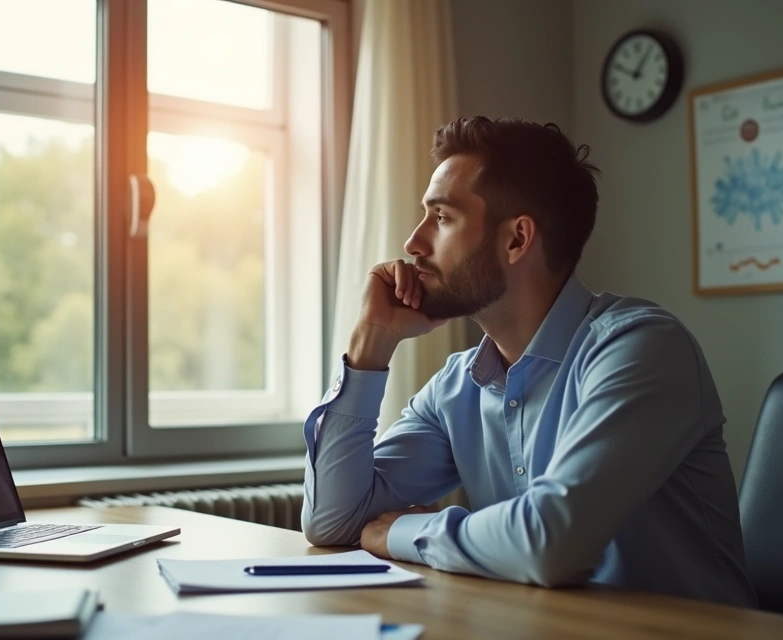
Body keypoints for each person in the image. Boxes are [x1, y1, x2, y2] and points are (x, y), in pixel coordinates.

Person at [301, 116, 757, 607]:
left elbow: (552, 544)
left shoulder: (643, 349)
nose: (413, 243)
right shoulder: (456, 387)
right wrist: (370, 346)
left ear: (517, 239)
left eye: (442, 217)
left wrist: (406, 531)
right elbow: (333, 522)